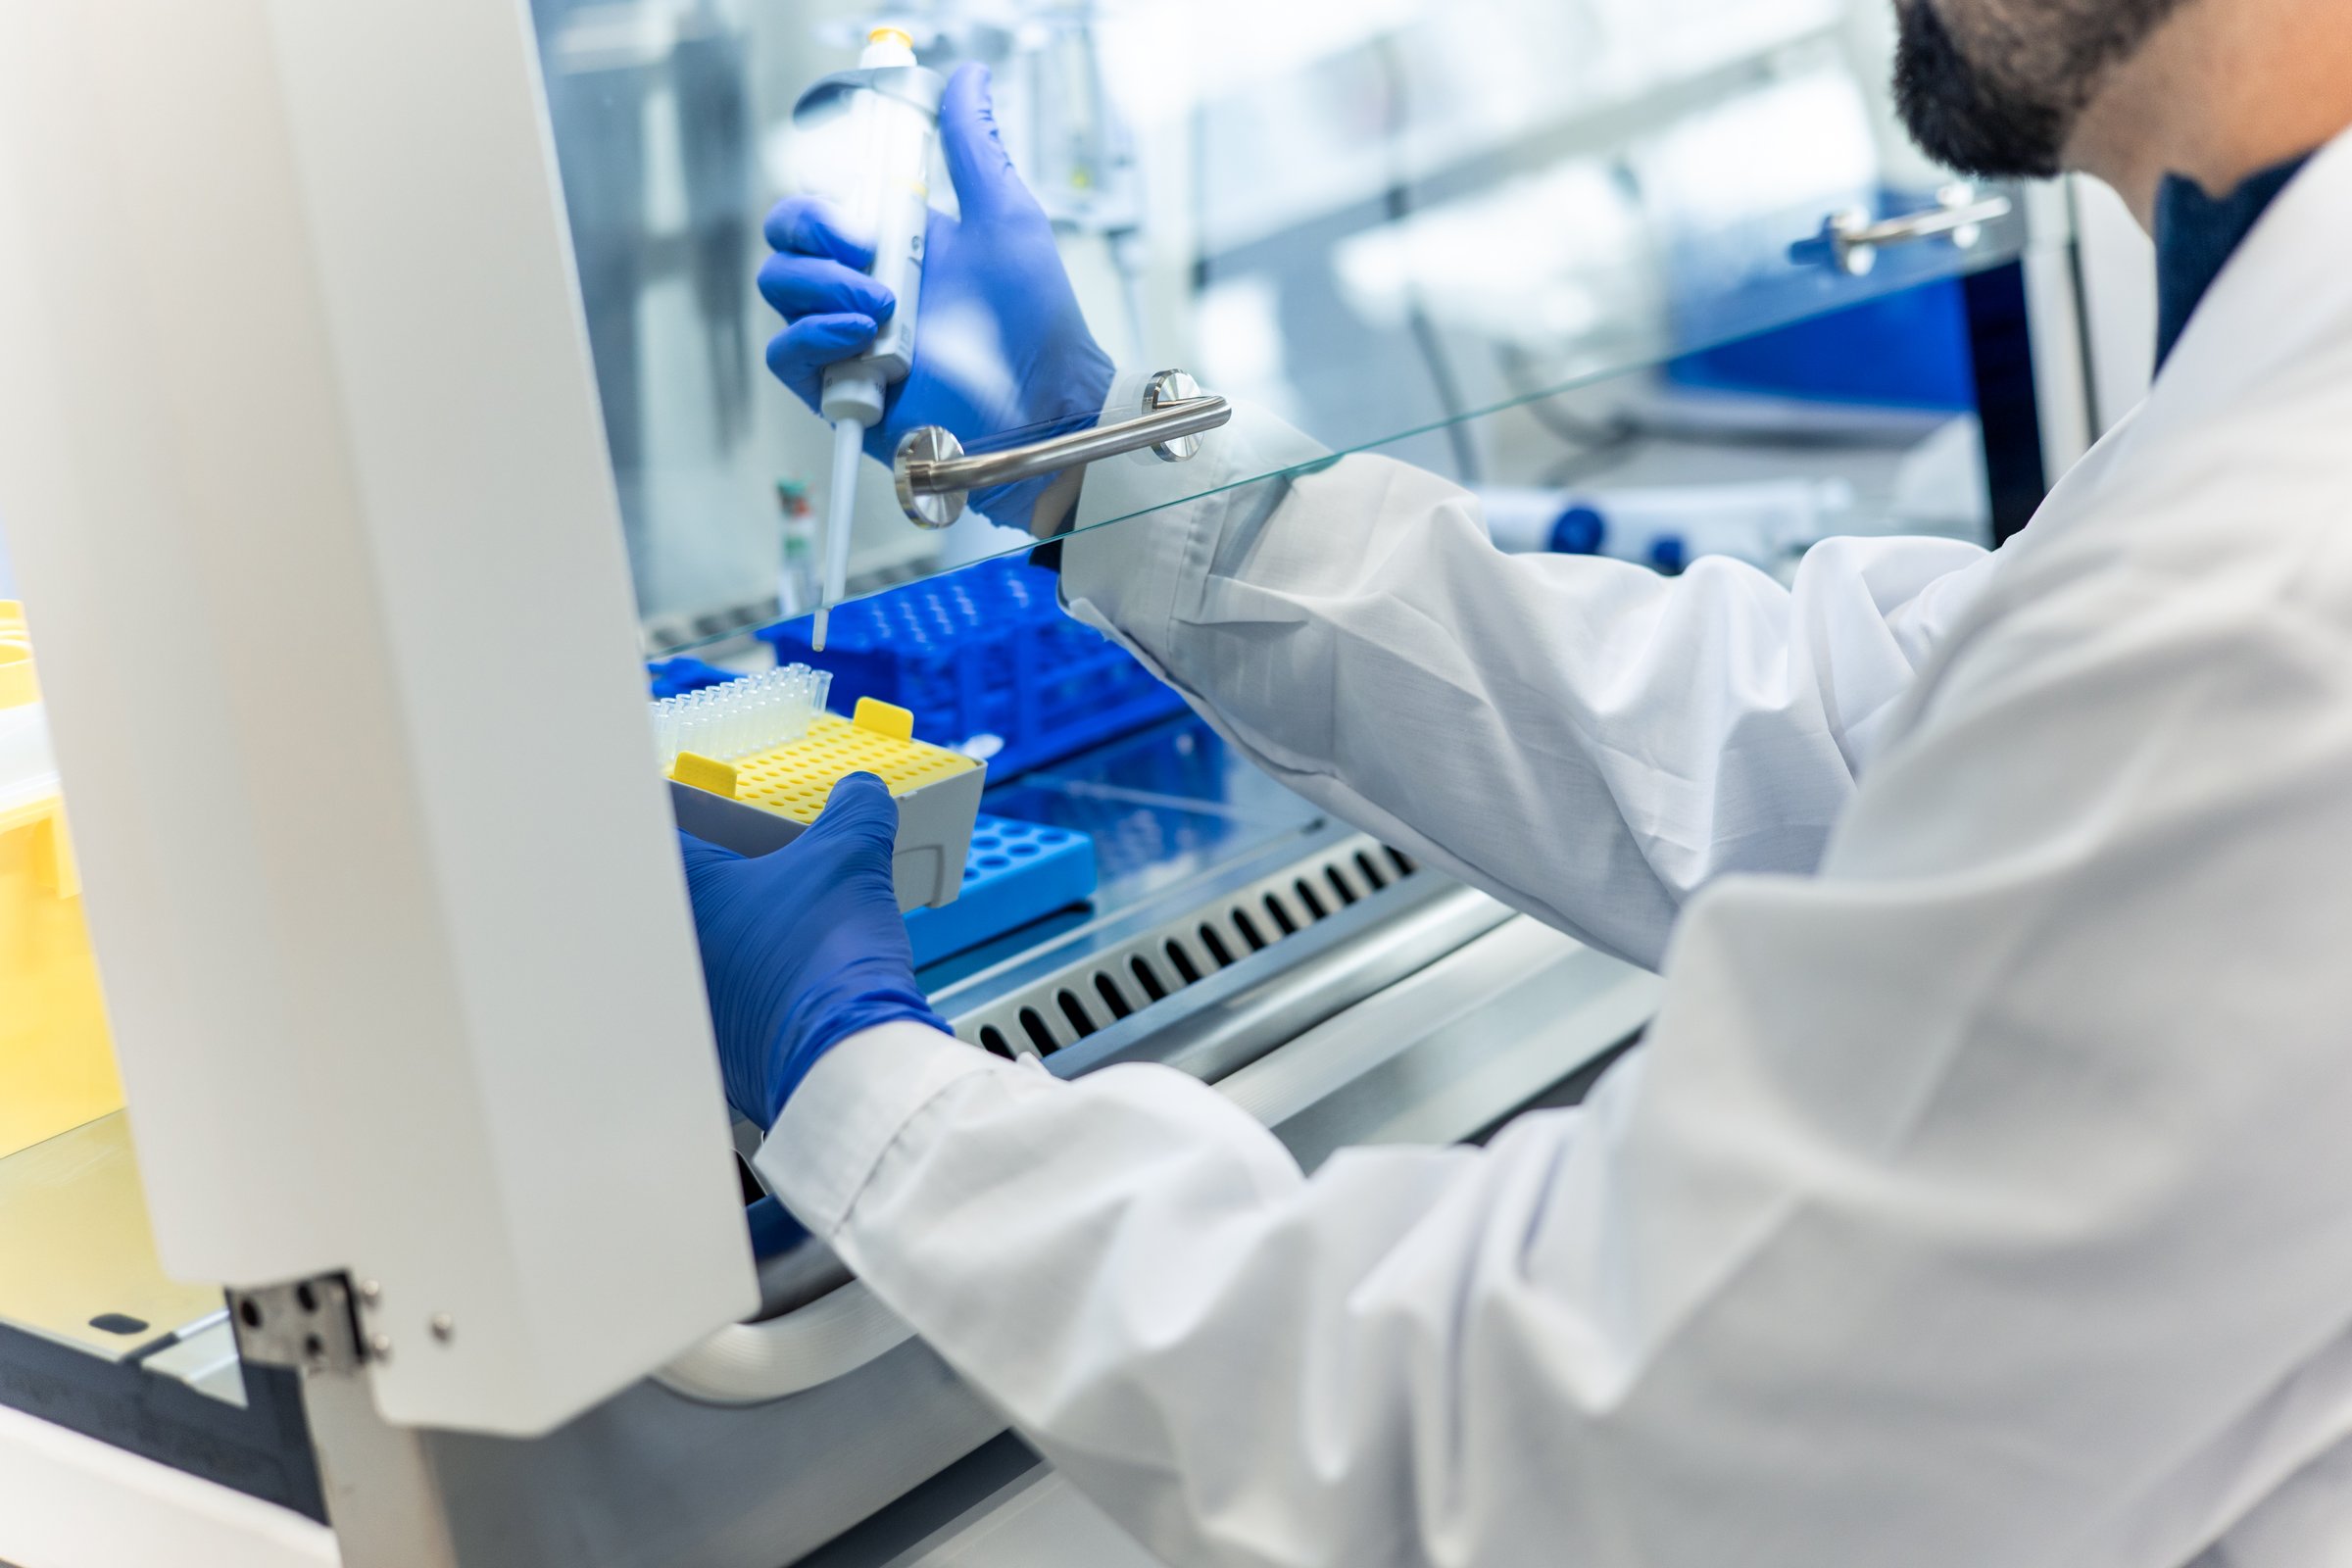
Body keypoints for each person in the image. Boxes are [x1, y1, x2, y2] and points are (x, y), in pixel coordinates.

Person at [686, 1, 2352, 1561]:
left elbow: (1573, 1439)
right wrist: (1093, 450)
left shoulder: (2263, 585)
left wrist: (862, 1089)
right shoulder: (2264, 437)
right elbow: (1811, 744)